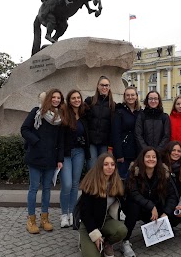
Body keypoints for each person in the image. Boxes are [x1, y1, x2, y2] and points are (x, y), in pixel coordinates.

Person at [21, 89, 65, 234]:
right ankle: (31, 219)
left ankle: (44, 218)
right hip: (35, 156)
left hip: (51, 158)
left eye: (59, 98)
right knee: (33, 188)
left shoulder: (59, 117)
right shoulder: (37, 112)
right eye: (54, 97)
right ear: (49, 98)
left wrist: (59, 158)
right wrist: (36, 141)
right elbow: (24, 129)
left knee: (47, 188)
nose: (56, 100)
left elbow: (60, 141)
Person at [121, 147, 178, 257]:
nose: (151, 159)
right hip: (140, 208)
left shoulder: (164, 173)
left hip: (157, 211)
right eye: (148, 156)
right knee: (133, 205)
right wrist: (151, 206)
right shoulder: (134, 171)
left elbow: (172, 196)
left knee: (174, 213)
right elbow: (133, 193)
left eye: (153, 157)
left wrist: (166, 213)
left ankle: (164, 229)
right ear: (142, 158)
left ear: (157, 159)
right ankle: (125, 241)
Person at [78, 153, 127, 257]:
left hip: (105, 219)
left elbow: (125, 203)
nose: (110, 167)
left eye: (112, 164)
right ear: (100, 166)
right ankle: (84, 240)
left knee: (122, 230)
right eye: (106, 164)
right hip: (89, 224)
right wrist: (94, 235)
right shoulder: (90, 184)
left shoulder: (116, 182)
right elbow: (85, 213)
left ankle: (107, 243)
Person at [60, 90, 90, 228]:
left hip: (79, 152)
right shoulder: (65, 114)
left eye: (78, 98)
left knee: (74, 184)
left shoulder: (84, 114)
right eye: (73, 98)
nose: (76, 100)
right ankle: (63, 214)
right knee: (66, 184)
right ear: (69, 100)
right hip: (66, 153)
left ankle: (72, 213)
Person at [85, 76, 115, 169]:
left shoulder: (113, 105)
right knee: (92, 168)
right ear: (98, 86)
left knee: (103, 168)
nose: (104, 87)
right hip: (91, 141)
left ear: (109, 87)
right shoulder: (90, 101)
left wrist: (110, 146)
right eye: (102, 85)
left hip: (104, 142)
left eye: (106, 85)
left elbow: (112, 126)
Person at [111, 86, 141, 180]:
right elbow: (116, 134)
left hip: (137, 151)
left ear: (136, 96)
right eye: (127, 95)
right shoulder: (119, 112)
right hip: (124, 151)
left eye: (132, 95)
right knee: (122, 179)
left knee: (135, 180)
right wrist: (119, 154)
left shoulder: (140, 112)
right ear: (124, 97)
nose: (130, 97)